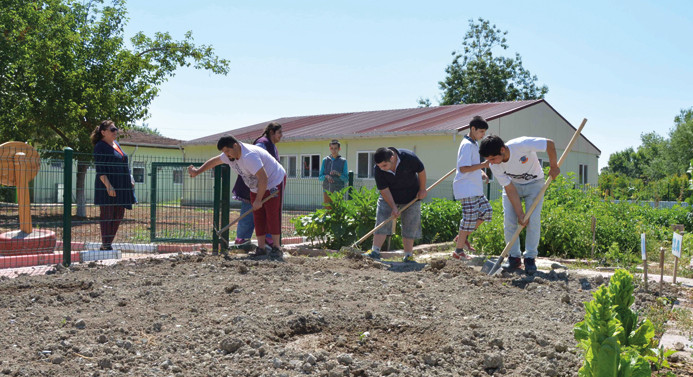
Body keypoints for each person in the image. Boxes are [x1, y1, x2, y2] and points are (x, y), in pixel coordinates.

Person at [188, 135, 286, 257]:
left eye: (227, 151)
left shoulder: (249, 156)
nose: (226, 154)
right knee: (258, 215)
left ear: (235, 145)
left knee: (272, 214)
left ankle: (276, 248)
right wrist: (197, 171)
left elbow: (263, 178)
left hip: (273, 181)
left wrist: (259, 200)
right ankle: (261, 248)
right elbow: (214, 161)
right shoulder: (230, 155)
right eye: (224, 152)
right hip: (256, 185)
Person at [479, 134, 560, 274]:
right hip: (513, 186)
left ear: (502, 150)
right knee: (510, 221)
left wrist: (553, 166)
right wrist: (520, 214)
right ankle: (514, 258)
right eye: (488, 160)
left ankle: (530, 258)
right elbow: (509, 189)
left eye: (493, 158)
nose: (491, 162)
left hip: (535, 184)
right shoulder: (495, 165)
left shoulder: (522, 145)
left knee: (533, 221)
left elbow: (550, 144)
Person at [363, 147, 427, 263]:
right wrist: (393, 207)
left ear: (392, 158)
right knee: (382, 218)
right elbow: (384, 190)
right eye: (380, 166)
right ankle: (375, 251)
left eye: (384, 166)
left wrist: (422, 189)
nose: (382, 169)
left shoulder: (409, 157)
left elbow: (421, 171)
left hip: (412, 195)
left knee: (410, 223)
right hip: (389, 196)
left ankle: (408, 255)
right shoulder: (378, 169)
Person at [232, 122, 283, 249]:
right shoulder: (262, 143)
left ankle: (266, 240)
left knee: (264, 212)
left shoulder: (271, 145)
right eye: (279, 132)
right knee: (250, 211)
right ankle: (242, 241)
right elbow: (258, 165)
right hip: (253, 184)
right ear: (272, 132)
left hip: (262, 184)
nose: (282, 135)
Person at [91, 120, 136, 251]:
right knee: (107, 215)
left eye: (116, 129)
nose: (115, 131)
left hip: (122, 186)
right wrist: (108, 186)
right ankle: (106, 244)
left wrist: (130, 179)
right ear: (103, 132)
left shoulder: (116, 144)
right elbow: (100, 169)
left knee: (118, 215)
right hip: (107, 187)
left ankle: (107, 243)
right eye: (112, 129)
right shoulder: (100, 146)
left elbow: (124, 164)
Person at [452, 116, 493, 260]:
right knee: (468, 219)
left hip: (475, 187)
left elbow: (473, 164)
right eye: (481, 131)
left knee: (487, 212)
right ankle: (458, 251)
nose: (483, 135)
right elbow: (463, 168)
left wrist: (482, 173)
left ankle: (461, 238)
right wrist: (483, 166)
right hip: (466, 188)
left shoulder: (474, 143)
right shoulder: (467, 145)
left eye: (484, 132)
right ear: (472, 129)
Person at [319, 139, 348, 207]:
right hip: (326, 191)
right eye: (332, 148)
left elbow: (346, 179)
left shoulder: (343, 161)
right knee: (327, 211)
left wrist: (338, 174)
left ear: (339, 149)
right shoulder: (325, 160)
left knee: (337, 213)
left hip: (338, 192)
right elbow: (320, 177)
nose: (333, 150)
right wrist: (326, 176)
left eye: (335, 148)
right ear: (330, 149)